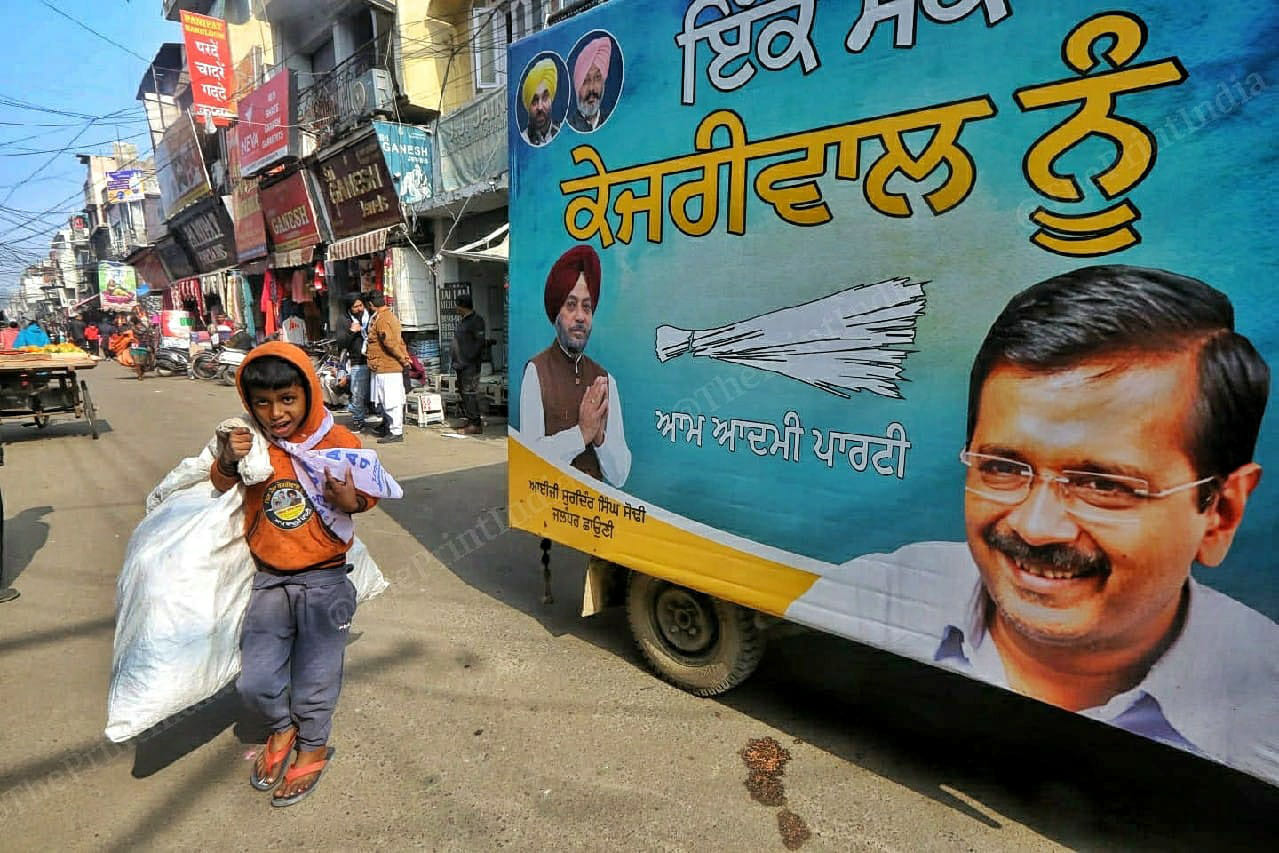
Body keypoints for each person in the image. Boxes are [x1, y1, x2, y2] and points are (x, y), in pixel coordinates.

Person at [788, 264, 1276, 780]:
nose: (1036, 527)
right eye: (1001, 468)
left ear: (1220, 514)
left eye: (1102, 485)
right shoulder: (873, 591)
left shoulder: (1264, 706)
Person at [211, 341, 401, 807]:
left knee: (316, 675)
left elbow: (366, 498)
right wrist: (226, 459)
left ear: (310, 393)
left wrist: (347, 501)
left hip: (326, 578)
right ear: (248, 402)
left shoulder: (340, 443)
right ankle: (282, 728)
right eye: (263, 402)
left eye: (288, 399)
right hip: (269, 578)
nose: (276, 413)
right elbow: (218, 484)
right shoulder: (248, 440)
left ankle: (312, 745)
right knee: (254, 681)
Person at [519, 245, 631, 487]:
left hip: (594, 517)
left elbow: (620, 475)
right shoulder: (536, 371)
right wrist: (581, 434)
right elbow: (529, 460)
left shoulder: (605, 380)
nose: (580, 316)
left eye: (587, 307)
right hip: (549, 512)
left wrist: (599, 437)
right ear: (556, 313)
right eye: (571, 305)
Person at [364, 290, 411, 444]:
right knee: (387, 400)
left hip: (388, 367)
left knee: (391, 401)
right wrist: (404, 358)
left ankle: (396, 432)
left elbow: (390, 343)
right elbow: (399, 341)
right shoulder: (386, 317)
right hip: (384, 367)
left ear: (371, 305)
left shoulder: (383, 320)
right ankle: (390, 428)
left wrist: (402, 359)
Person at [334, 293, 372, 432]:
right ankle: (358, 420)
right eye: (356, 306)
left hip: (372, 359)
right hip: (357, 361)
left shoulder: (368, 316)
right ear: (349, 307)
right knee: (357, 393)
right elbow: (341, 342)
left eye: (361, 305)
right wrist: (351, 331)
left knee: (369, 392)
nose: (359, 309)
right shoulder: (343, 320)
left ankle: (369, 415)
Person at [451, 293, 487, 435]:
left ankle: (475, 424)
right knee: (463, 393)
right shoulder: (463, 321)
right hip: (460, 364)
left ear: (461, 306)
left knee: (469, 393)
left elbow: (479, 343)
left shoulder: (476, 321)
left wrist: (467, 359)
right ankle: (471, 419)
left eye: (457, 305)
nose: (455, 308)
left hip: (470, 365)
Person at [567, 36, 614, 133]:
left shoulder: (613, 121)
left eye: (597, 78)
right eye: (585, 80)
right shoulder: (568, 127)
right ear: (577, 86)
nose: (592, 88)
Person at [521, 57, 561, 146]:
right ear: (528, 106)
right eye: (534, 101)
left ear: (551, 99)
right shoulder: (523, 140)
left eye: (545, 98)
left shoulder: (562, 133)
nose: (540, 107)